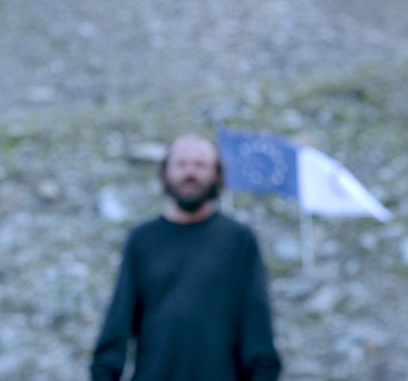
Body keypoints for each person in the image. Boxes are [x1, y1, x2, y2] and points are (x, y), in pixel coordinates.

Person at [90, 134, 283, 381]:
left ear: (217, 174)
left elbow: (257, 328)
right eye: (181, 164)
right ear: (166, 172)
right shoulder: (143, 239)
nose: (189, 173)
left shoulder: (239, 241)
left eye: (200, 165)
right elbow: (118, 323)